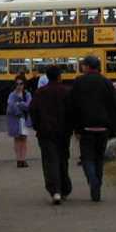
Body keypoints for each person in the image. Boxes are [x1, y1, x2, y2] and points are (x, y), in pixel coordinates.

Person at [69, 55, 116, 202]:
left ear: (87, 66)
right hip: (103, 126)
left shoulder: (79, 82)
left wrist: (75, 127)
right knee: (99, 158)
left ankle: (92, 180)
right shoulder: (107, 82)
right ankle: (98, 184)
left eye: (83, 65)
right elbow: (112, 104)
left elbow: (74, 106)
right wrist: (110, 124)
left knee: (87, 157)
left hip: (86, 126)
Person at [30, 66, 72, 204]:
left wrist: (37, 126)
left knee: (49, 161)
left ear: (47, 77)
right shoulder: (66, 92)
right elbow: (73, 111)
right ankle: (65, 188)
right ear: (59, 76)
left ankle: (55, 191)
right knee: (63, 159)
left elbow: (33, 111)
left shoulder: (40, 93)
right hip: (64, 131)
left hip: (45, 132)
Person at [6, 75, 33, 168]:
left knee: (24, 140)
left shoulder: (27, 94)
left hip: (24, 120)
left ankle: (23, 159)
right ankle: (18, 160)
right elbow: (10, 107)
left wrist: (19, 104)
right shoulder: (12, 95)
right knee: (17, 140)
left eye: (21, 83)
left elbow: (29, 106)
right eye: (17, 84)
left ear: (24, 84)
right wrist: (21, 108)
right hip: (15, 120)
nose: (19, 86)